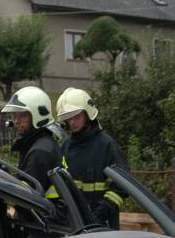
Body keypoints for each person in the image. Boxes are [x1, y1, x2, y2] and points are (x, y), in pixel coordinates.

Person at [55, 87, 129, 230]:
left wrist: (103, 211)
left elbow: (122, 185)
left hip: (103, 224)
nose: (72, 123)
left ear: (88, 115)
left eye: (76, 117)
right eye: (68, 118)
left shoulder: (106, 145)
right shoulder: (65, 146)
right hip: (73, 223)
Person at [2, 86, 61, 192]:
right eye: (16, 115)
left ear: (38, 117)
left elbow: (25, 195)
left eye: (23, 116)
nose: (16, 121)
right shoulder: (42, 143)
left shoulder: (40, 152)